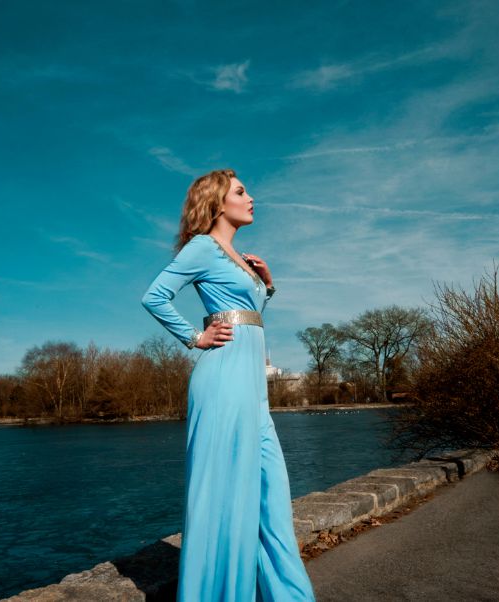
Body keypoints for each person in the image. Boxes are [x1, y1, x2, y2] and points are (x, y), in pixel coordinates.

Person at [141, 168, 316, 601]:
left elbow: (249, 317)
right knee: (223, 497)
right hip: (221, 382)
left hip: (252, 389)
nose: (251, 197)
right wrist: (193, 336)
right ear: (218, 203)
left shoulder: (239, 257)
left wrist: (267, 286)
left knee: (270, 493)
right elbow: (155, 296)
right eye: (241, 191)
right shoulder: (202, 247)